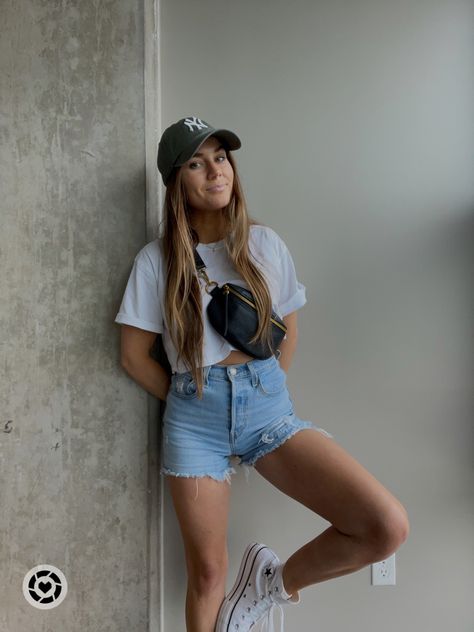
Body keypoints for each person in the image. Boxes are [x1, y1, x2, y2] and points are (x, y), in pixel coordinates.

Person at [114, 116, 410, 632]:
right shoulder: (156, 261)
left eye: (221, 158)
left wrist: (263, 392)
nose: (215, 171)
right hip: (193, 419)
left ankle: (272, 586)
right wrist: (192, 401)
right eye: (196, 163)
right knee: (207, 574)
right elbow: (133, 355)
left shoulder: (264, 244)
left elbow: (287, 332)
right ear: (176, 181)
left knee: (384, 527)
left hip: (268, 409)